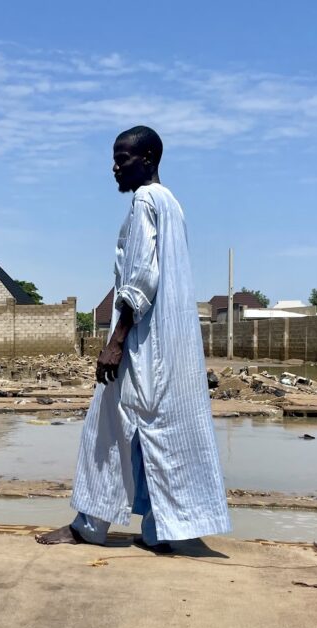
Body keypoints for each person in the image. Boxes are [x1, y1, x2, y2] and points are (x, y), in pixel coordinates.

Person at [36, 126, 230, 553]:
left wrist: (117, 340)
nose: (114, 167)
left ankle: (89, 526)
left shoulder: (145, 201)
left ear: (147, 158)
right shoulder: (172, 203)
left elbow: (141, 276)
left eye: (122, 159)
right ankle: (166, 529)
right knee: (161, 430)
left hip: (143, 344)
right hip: (171, 347)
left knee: (106, 429)